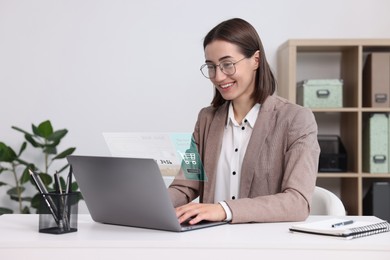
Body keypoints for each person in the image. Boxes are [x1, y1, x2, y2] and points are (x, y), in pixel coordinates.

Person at [168, 18, 320, 225]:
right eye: (211, 67)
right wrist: (149, 204)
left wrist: (224, 210)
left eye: (227, 64)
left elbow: (297, 202)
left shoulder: (296, 120)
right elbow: (186, 185)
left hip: (265, 243)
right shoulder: (206, 119)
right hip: (209, 240)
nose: (219, 77)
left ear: (256, 60)